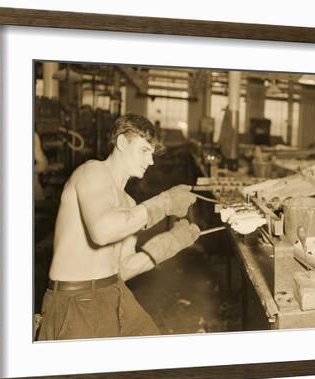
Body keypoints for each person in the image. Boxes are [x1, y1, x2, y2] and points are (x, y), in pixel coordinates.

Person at [36, 113, 200, 341]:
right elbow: (102, 231)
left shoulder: (129, 204)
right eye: (144, 150)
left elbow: (121, 269)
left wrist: (166, 246)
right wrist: (163, 204)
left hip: (114, 292)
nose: (151, 161)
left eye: (152, 154)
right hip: (76, 300)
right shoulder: (91, 172)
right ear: (122, 142)